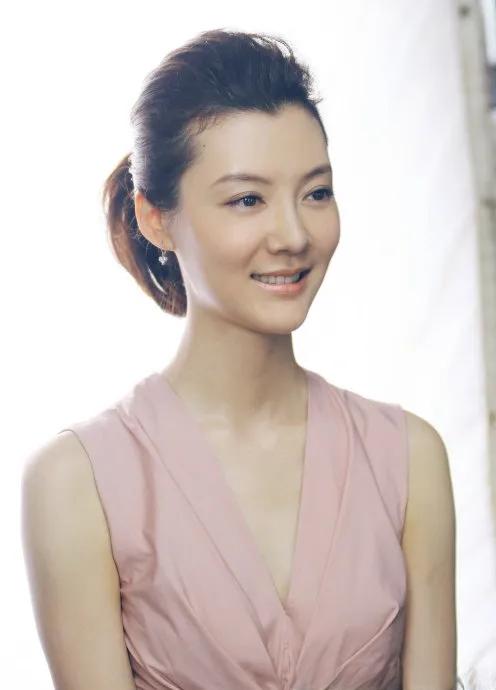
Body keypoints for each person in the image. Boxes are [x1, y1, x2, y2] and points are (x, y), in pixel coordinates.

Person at [21, 28, 458, 690]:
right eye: (247, 200)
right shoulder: (77, 483)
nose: (294, 235)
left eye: (316, 192)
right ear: (155, 218)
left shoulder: (408, 460)